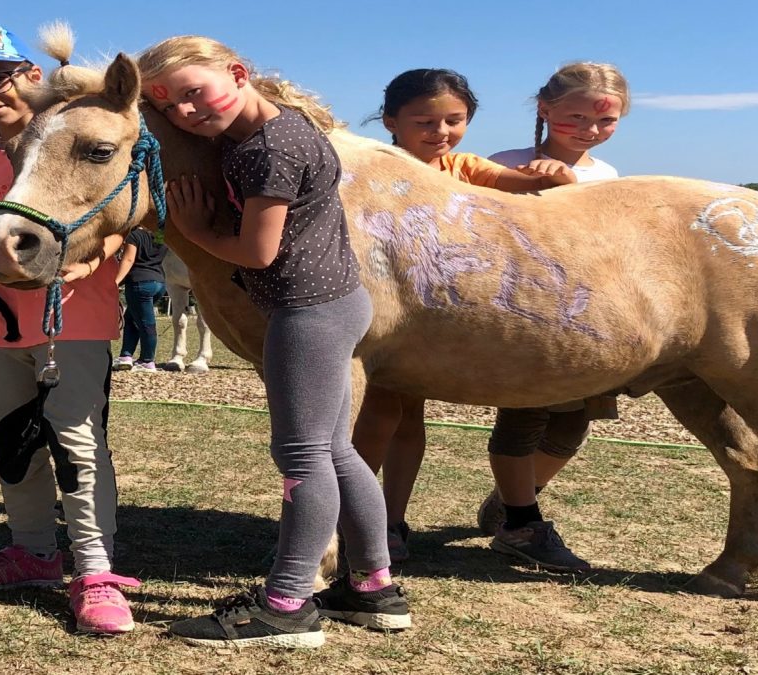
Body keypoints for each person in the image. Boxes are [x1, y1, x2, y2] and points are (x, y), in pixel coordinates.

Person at [138, 35, 411, 648]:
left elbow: (258, 252)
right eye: (169, 104)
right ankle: (372, 587)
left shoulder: (266, 151)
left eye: (193, 92)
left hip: (306, 313)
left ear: (236, 74)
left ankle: (287, 603)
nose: (185, 111)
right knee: (336, 451)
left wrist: (195, 227)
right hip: (339, 304)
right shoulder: (281, 130)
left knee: (302, 455)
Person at [0, 25, 137, 635]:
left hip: (74, 319)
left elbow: (122, 214)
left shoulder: (78, 137)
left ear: (30, 75)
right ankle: (33, 550)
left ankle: (95, 570)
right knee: (12, 441)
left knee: (77, 440)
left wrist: (102, 259)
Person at [354, 69, 576, 563]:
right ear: (391, 121)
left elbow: (513, 183)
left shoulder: (466, 167)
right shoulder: (371, 168)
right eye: (425, 121)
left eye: (454, 120)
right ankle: (360, 516)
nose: (441, 132)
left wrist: (552, 175)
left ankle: (390, 520)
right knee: (383, 412)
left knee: (407, 418)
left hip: (433, 320)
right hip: (385, 310)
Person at [479, 62, 630, 571]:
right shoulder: (503, 163)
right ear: (546, 110)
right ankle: (522, 520)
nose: (591, 129)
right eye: (578, 116)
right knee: (522, 418)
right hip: (523, 316)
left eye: (605, 121)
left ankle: (510, 498)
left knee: (573, 425)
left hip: (587, 319)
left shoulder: (607, 177)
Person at [113, 226, 168, 372]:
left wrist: (116, 281)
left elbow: (129, 259)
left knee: (146, 323)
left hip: (139, 282)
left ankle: (147, 360)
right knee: (131, 318)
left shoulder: (134, 236)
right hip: (159, 282)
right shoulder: (160, 236)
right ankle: (126, 356)